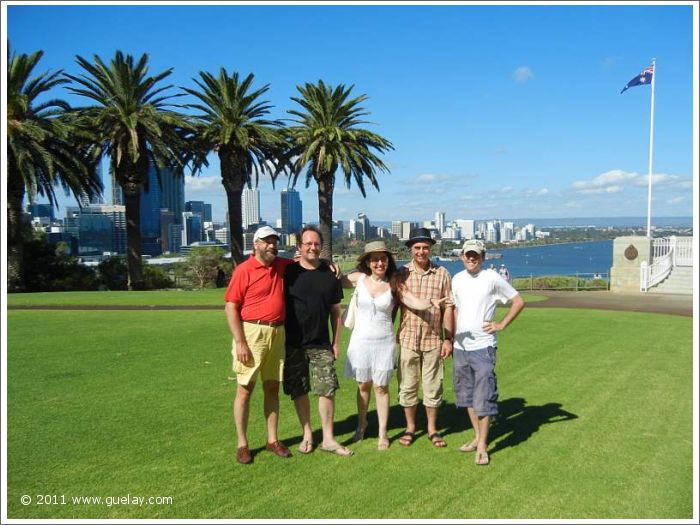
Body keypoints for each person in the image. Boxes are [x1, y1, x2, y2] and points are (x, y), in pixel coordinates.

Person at [342, 241, 445, 451]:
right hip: (360, 341)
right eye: (375, 259)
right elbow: (333, 281)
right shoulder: (358, 279)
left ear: (388, 261)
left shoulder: (394, 283)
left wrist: (431, 303)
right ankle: (361, 426)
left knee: (381, 388)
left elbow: (412, 301)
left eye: (383, 258)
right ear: (368, 262)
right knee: (363, 386)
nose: (379, 263)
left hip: (384, 342)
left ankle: (382, 433)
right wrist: (328, 267)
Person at [451, 239, 525, 466]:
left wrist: (500, 325)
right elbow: (456, 308)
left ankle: (482, 446)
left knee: (484, 397)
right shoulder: (457, 279)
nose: (471, 258)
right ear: (462, 256)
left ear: (482, 258)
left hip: (483, 347)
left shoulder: (492, 278)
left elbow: (518, 301)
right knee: (468, 397)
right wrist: (454, 334)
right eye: (468, 255)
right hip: (460, 348)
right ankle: (477, 437)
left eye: (476, 255)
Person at [224, 225, 293, 465]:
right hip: (251, 333)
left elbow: (306, 264)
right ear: (256, 244)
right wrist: (240, 342)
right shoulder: (244, 270)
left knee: (272, 388)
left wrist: (331, 266)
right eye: (267, 241)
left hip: (277, 332)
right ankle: (242, 444)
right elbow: (231, 306)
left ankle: (272, 440)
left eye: (274, 241)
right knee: (245, 389)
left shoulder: (283, 266)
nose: (272, 245)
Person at [283, 226, 353, 457]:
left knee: (327, 389)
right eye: (308, 244)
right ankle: (307, 434)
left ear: (321, 247)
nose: (312, 247)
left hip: (321, 343)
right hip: (292, 343)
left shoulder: (330, 274)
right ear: (299, 247)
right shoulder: (288, 272)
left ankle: (329, 439)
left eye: (316, 244)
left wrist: (336, 343)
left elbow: (335, 312)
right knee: (299, 389)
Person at [395, 228, 454, 448]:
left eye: (425, 247)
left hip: (433, 341)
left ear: (430, 249)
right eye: (417, 247)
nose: (421, 251)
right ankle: (410, 428)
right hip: (408, 339)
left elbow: (449, 308)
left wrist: (448, 339)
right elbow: (393, 306)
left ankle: (432, 429)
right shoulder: (401, 274)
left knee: (433, 387)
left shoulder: (442, 274)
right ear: (411, 249)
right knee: (408, 387)